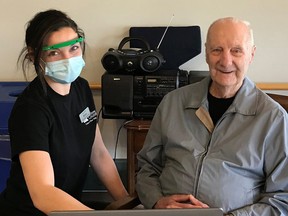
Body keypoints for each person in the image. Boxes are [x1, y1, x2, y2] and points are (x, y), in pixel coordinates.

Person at [136, 17, 288, 215]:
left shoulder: (273, 118)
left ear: (251, 54)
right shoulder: (172, 103)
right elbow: (147, 167)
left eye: (236, 50)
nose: (226, 61)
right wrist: (157, 202)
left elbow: (282, 198)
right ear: (207, 53)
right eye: (217, 50)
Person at [0, 9, 128, 216]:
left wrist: (128, 205)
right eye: (54, 52)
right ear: (34, 55)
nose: (67, 59)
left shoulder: (81, 88)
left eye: (74, 48)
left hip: (68, 209)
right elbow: (43, 193)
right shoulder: (31, 109)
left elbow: (99, 154)